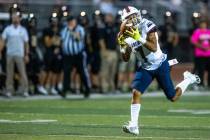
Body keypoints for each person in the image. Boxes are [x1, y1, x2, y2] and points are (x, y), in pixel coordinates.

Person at [117, 6, 201, 135]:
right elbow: (126, 58)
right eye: (129, 18)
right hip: (145, 67)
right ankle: (134, 126)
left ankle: (188, 80)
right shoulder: (124, 35)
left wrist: (138, 37)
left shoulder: (148, 25)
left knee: (172, 97)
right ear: (124, 21)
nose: (133, 19)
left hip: (160, 64)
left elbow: (154, 47)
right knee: (136, 92)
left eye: (134, 15)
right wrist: (123, 47)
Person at [60, 16, 91, 98]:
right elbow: (62, 41)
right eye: (70, 21)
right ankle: (65, 90)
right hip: (68, 55)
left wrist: (71, 31)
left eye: (73, 21)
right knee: (66, 72)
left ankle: (87, 89)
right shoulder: (64, 30)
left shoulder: (80, 29)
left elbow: (78, 38)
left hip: (78, 55)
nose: (71, 23)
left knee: (82, 72)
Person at [1, 12, 29, 97]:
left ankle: (24, 90)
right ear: (12, 19)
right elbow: (2, 41)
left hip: (19, 54)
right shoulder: (8, 29)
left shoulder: (23, 30)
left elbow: (26, 43)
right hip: (10, 53)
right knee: (9, 73)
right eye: (13, 18)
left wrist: (26, 54)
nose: (15, 19)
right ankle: (9, 90)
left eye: (16, 18)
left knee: (22, 73)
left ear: (19, 19)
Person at [100, 13, 118, 93]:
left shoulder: (114, 27)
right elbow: (101, 41)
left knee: (113, 71)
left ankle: (112, 87)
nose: (109, 18)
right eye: (108, 16)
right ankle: (104, 88)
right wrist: (104, 52)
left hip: (114, 52)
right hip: (107, 51)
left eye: (110, 16)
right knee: (105, 71)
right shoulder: (103, 27)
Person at [191, 18, 210, 89]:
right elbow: (193, 41)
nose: (203, 25)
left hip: (208, 54)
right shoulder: (197, 32)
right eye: (202, 24)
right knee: (200, 70)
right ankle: (201, 84)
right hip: (200, 55)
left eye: (204, 24)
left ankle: (208, 84)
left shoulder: (209, 32)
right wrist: (202, 47)